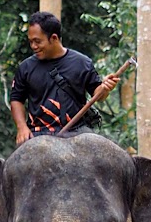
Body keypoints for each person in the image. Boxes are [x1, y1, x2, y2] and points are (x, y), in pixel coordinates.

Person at [9, 11, 119, 145]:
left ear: (54, 38)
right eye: (31, 42)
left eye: (37, 41)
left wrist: (105, 88)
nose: (33, 46)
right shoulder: (25, 67)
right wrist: (22, 128)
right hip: (39, 133)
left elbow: (98, 94)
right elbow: (16, 99)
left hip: (77, 132)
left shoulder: (82, 63)